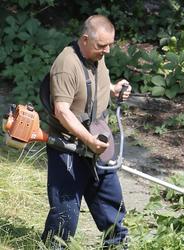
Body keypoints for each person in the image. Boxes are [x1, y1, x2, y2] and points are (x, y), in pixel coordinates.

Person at [41, 15, 131, 248]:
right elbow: (62, 111)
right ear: (84, 39)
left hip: (97, 142)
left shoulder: (96, 56)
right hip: (69, 147)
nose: (107, 50)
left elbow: (93, 85)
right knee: (65, 213)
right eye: (102, 45)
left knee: (112, 205)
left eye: (110, 44)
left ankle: (117, 246)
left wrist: (113, 89)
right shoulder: (66, 65)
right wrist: (88, 140)